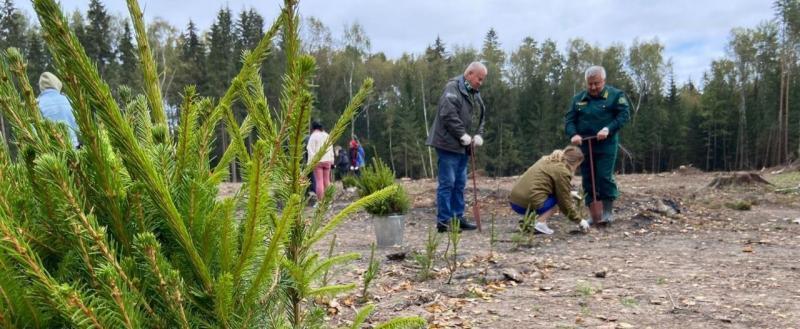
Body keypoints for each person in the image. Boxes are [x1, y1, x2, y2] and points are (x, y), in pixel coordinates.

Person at [426, 61, 487, 232]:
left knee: (460, 183)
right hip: (448, 144)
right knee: (448, 183)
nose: (480, 83)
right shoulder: (452, 88)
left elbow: (480, 116)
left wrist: (478, 134)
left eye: (482, 80)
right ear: (469, 74)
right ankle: (444, 221)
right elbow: (448, 115)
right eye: (479, 79)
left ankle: (458, 217)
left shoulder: (475, 94)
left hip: (464, 147)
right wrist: (462, 134)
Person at [564, 65, 630, 224]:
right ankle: (594, 214)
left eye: (597, 83)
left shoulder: (615, 95)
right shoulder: (578, 99)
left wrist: (608, 129)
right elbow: (569, 120)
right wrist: (574, 134)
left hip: (606, 144)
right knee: (588, 179)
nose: (593, 87)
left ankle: (607, 212)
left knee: (604, 176)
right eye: (590, 83)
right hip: (584, 145)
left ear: (604, 81)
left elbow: (624, 115)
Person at [509, 146, 590, 235]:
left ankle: (529, 222)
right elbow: (564, 201)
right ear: (575, 162)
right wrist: (579, 220)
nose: (576, 169)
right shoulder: (562, 171)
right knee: (558, 199)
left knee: (543, 196)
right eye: (577, 166)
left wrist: (569, 193)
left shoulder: (547, 159)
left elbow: (543, 185)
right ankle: (539, 223)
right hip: (527, 203)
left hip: (514, 201)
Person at [37, 72, 79, 148]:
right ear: (57, 85)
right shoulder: (68, 100)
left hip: (49, 152)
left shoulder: (36, 104)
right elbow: (78, 127)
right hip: (73, 148)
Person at [307, 121, 334, 200]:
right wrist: (332, 160)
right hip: (327, 160)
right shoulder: (327, 135)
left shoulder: (313, 136)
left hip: (318, 161)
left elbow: (310, 149)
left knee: (319, 182)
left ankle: (320, 202)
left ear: (313, 128)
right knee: (327, 181)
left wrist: (310, 163)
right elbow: (330, 148)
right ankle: (328, 201)